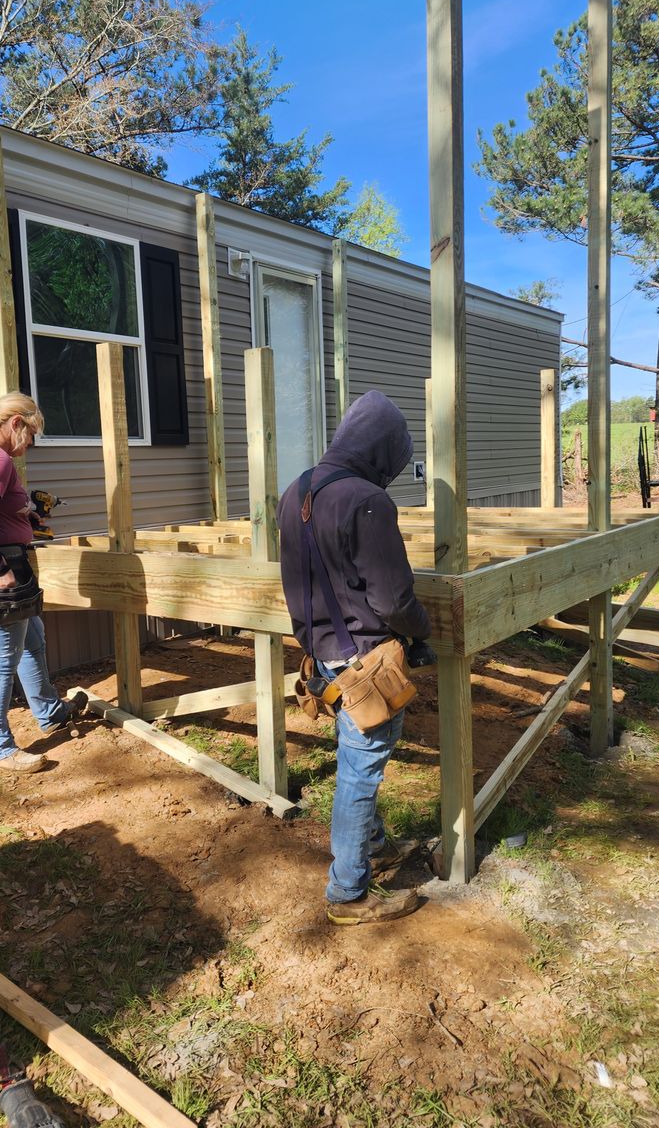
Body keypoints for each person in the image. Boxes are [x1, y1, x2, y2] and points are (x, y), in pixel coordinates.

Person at [277, 391, 432, 926]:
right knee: (359, 774)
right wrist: (422, 632)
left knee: (355, 762)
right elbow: (392, 600)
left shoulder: (297, 489)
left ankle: (377, 847)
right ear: (383, 447)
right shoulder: (367, 500)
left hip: (323, 655)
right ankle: (348, 894)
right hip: (367, 665)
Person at [0, 392, 87, 773]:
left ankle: (50, 713)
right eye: (32, 433)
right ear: (17, 424)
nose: (31, 443)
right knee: (2, 660)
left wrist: (23, 515)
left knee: (33, 640)